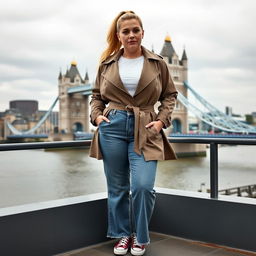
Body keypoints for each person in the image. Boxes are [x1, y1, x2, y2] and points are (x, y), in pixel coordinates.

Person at [89, 11, 177, 256]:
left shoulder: (158, 63)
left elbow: (170, 95)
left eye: (135, 30)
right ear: (118, 36)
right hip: (113, 126)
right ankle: (121, 234)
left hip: (147, 126)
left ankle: (140, 235)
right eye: (125, 31)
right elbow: (96, 96)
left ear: (142, 33)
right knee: (116, 188)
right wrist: (97, 116)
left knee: (142, 187)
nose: (131, 35)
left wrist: (161, 121)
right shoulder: (106, 64)